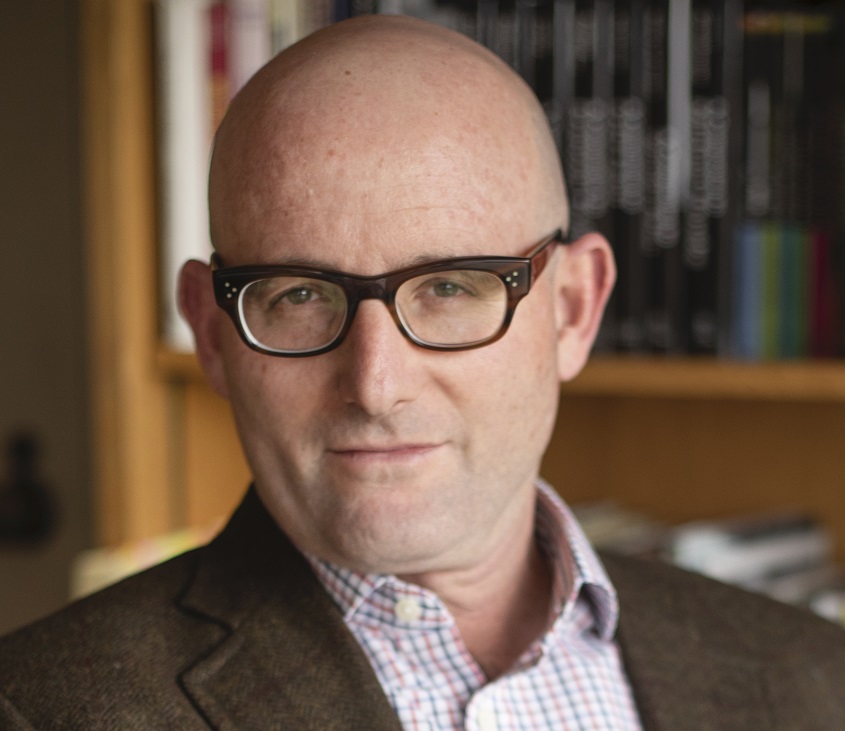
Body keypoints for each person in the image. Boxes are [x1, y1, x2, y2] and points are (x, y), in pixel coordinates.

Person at [2, 14, 845, 731]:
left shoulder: (813, 678)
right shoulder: (35, 708)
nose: (375, 384)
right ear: (214, 333)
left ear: (574, 309)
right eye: (297, 294)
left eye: (449, 287)